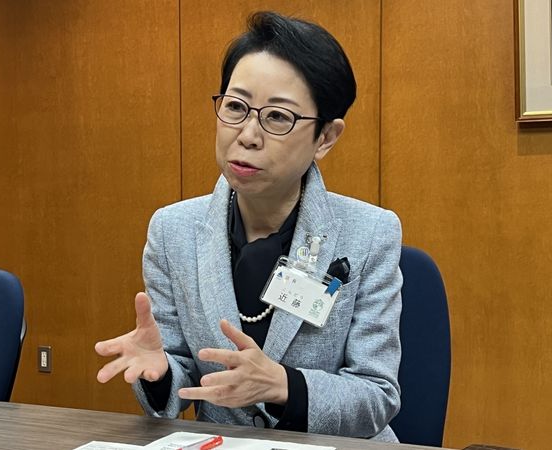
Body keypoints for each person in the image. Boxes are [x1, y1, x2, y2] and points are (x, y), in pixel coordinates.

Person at [95, 11, 402, 442]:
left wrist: (285, 386)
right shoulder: (172, 230)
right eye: (236, 107)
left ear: (326, 137)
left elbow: (377, 395)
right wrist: (160, 372)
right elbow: (179, 374)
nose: (248, 135)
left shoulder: (370, 234)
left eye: (277, 117)